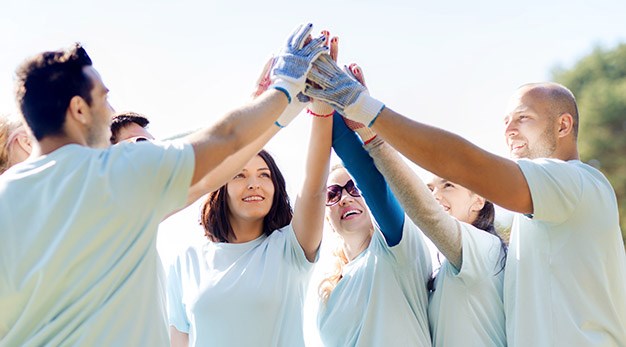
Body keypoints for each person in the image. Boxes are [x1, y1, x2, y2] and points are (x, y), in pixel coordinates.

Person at [0, 23, 327, 346]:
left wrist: (261, 103)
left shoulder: (6, 197)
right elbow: (224, 140)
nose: (112, 111)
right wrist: (284, 90)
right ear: (79, 109)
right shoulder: (115, 175)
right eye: (104, 98)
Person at [305, 54, 626, 346]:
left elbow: (458, 170)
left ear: (563, 125)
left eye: (523, 118)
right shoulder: (526, 235)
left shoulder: (577, 183)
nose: (509, 131)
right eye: (505, 122)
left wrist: (364, 113)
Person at [333, 64, 507, 346]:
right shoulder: (441, 271)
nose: (436, 195)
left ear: (479, 199)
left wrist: (369, 126)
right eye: (430, 189)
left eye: (448, 185)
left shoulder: (485, 250)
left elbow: (426, 213)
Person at [167, 119, 330, 346]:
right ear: (220, 189)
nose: (254, 183)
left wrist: (322, 111)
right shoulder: (186, 261)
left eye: (264, 175)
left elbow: (315, 187)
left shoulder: (291, 247)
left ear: (276, 188)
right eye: (239, 175)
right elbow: (178, 340)